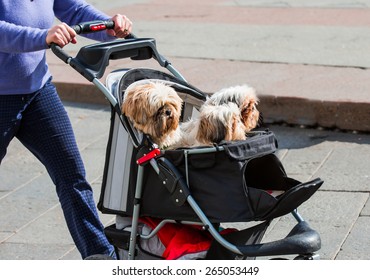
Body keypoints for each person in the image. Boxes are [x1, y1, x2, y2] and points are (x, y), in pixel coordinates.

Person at [0, 0, 132, 259]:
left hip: (38, 92)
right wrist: (43, 36)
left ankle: (100, 259)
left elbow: (74, 9)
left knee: (73, 177)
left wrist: (109, 25)